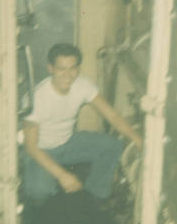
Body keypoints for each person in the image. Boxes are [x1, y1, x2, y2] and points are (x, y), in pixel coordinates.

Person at [23, 42, 143, 205]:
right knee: (39, 192)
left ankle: (97, 195)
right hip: (43, 150)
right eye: (61, 68)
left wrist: (137, 139)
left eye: (73, 68)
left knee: (111, 145)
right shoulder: (36, 98)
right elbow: (31, 147)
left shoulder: (83, 85)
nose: (68, 75)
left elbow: (112, 116)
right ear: (50, 69)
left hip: (69, 142)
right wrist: (62, 175)